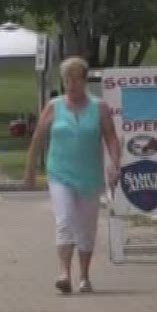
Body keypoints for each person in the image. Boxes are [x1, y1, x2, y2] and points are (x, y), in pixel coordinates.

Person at [24, 56, 120, 294]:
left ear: (84, 81)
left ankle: (84, 276)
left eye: (76, 80)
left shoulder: (99, 108)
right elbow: (37, 138)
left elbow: (111, 137)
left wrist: (115, 164)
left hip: (89, 175)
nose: (71, 86)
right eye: (67, 80)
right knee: (64, 220)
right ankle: (64, 273)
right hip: (60, 172)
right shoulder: (54, 107)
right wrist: (30, 172)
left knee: (86, 227)